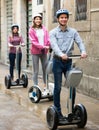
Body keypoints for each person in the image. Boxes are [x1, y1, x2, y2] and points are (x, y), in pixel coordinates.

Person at [49, 9, 87, 121]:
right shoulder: (53, 33)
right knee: (58, 87)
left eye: (65, 17)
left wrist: (83, 51)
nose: (64, 19)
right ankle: (58, 112)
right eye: (61, 17)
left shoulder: (73, 32)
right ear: (58, 19)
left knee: (72, 87)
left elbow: (80, 42)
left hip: (69, 61)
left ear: (67, 19)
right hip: (57, 61)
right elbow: (54, 46)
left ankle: (70, 111)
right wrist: (61, 54)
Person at [29, 13, 50, 90]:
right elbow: (33, 41)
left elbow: (48, 38)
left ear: (41, 20)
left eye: (39, 19)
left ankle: (46, 85)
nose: (38, 20)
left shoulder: (44, 28)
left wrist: (47, 45)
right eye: (36, 19)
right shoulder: (31, 30)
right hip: (35, 52)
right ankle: (35, 86)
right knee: (36, 71)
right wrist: (42, 46)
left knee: (45, 69)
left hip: (44, 52)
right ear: (34, 20)